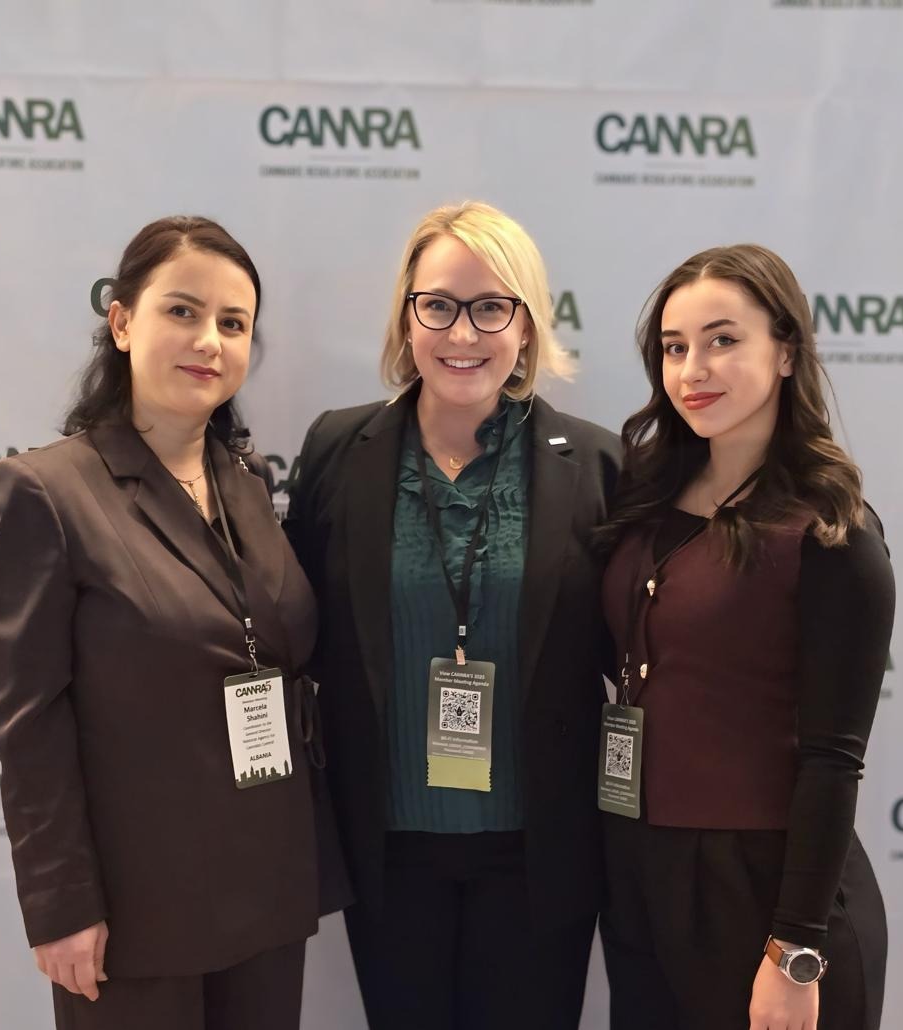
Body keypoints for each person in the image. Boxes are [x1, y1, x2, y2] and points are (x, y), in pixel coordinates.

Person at [0, 216, 332, 1030]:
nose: (209, 340)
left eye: (233, 324)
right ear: (122, 321)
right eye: (183, 311)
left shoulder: (248, 480)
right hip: (135, 910)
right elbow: (29, 724)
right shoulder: (45, 493)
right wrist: (61, 903)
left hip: (268, 886)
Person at [283, 201, 621, 1030]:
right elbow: (300, 627)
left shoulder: (598, 464)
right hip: (389, 852)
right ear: (407, 317)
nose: (462, 332)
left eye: (491, 307)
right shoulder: (337, 451)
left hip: (540, 856)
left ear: (527, 326)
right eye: (438, 304)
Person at [596, 244, 894, 1030]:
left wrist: (795, 949)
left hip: (766, 893)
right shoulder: (646, 498)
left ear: (787, 351)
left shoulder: (831, 534)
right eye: (674, 347)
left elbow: (833, 760)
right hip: (642, 875)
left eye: (723, 340)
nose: (693, 369)